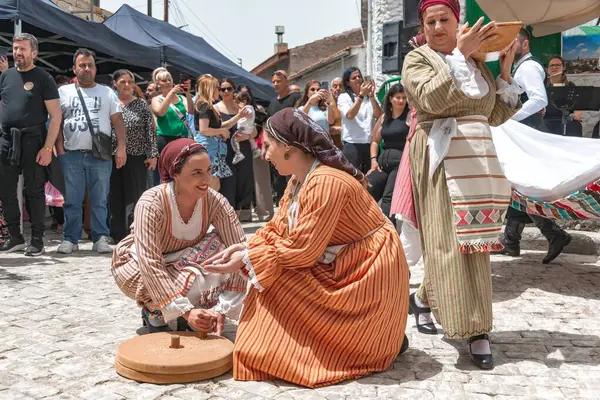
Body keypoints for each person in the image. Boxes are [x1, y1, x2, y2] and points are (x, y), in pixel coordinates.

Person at [202, 108, 409, 388]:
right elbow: (278, 229)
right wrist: (244, 247)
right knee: (271, 274)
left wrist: (246, 258)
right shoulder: (300, 180)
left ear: (288, 148)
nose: (264, 154)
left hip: (367, 272)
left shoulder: (325, 182)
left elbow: (302, 250)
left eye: (268, 146)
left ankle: (361, 343)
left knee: (276, 280)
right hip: (347, 263)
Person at [401, 0, 523, 369]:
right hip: (441, 157)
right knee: (447, 242)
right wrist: (458, 54)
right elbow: (430, 98)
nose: (438, 27)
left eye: (445, 19)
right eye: (430, 21)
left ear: (458, 22)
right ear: (423, 26)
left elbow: (495, 113)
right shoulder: (418, 59)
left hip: (477, 162)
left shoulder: (476, 64)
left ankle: (423, 298)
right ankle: (474, 329)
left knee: (476, 242)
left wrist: (502, 70)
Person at [111, 138, 247, 334]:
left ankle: (194, 311)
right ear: (175, 174)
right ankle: (156, 312)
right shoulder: (151, 202)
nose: (207, 180)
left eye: (209, 170)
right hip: (139, 264)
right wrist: (185, 311)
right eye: (196, 173)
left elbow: (240, 247)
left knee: (230, 253)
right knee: (150, 278)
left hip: (183, 260)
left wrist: (223, 310)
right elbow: (149, 261)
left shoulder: (214, 201)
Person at [496, 29, 572, 264]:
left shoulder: (528, 67)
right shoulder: (521, 67)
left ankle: (552, 234)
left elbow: (539, 99)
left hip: (527, 134)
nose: (509, 46)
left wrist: (511, 118)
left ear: (525, 43)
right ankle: (513, 241)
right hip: (523, 134)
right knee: (519, 186)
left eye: (514, 42)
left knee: (523, 187)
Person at [56, 48, 127, 255]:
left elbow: (118, 122)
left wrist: (121, 147)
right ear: (74, 68)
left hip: (101, 155)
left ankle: (100, 238)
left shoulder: (107, 92)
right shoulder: (63, 92)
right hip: (71, 154)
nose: (87, 69)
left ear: (96, 69)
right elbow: (57, 122)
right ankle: (70, 238)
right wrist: (59, 148)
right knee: (72, 200)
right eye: (82, 65)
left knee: (100, 199)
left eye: (90, 65)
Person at [0, 33, 61, 256]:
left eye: (22, 49)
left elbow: (55, 116)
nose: (17, 53)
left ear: (34, 53)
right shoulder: (5, 76)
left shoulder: (44, 78)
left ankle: (37, 240)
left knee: (34, 191)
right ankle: (15, 236)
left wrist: (47, 148)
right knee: (5, 189)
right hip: (7, 139)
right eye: (15, 48)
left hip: (34, 140)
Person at [109, 69, 159, 243]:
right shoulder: (110, 102)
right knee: (114, 194)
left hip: (136, 155)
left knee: (134, 194)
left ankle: (133, 232)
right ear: (115, 83)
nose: (128, 85)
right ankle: (116, 233)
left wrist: (153, 154)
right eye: (123, 82)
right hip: (112, 155)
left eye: (130, 81)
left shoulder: (141, 104)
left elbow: (150, 131)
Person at [367, 83, 409, 222]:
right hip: (381, 164)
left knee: (388, 199)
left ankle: (390, 234)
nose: (401, 101)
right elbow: (374, 141)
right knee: (367, 191)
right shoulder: (385, 117)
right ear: (391, 99)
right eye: (398, 97)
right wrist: (373, 161)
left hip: (400, 165)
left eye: (404, 97)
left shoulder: (410, 117)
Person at [214, 78, 255, 218]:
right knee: (228, 182)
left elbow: (253, 129)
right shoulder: (216, 108)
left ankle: (237, 217)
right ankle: (228, 217)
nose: (225, 91)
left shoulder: (241, 106)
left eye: (229, 89)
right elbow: (219, 127)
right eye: (222, 89)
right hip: (225, 149)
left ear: (233, 90)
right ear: (218, 91)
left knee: (243, 180)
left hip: (242, 148)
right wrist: (238, 116)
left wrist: (248, 137)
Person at [237, 85, 274, 222]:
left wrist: (265, 146)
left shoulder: (258, 109)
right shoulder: (235, 110)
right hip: (239, 149)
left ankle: (266, 214)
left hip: (258, 148)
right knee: (243, 182)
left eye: (247, 95)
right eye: (241, 95)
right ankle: (244, 215)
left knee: (262, 182)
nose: (244, 98)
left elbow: (265, 128)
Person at [337, 67, 383, 174]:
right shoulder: (344, 97)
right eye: (354, 78)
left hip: (369, 145)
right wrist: (361, 96)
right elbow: (349, 115)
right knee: (353, 179)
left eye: (359, 77)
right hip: (353, 145)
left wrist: (371, 95)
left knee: (371, 179)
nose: (358, 79)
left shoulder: (371, 98)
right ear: (348, 83)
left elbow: (380, 116)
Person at [194, 74, 232, 192]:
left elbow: (217, 126)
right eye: (217, 88)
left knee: (214, 183)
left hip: (213, 148)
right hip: (208, 149)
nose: (219, 91)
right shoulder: (204, 105)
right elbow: (204, 129)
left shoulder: (207, 105)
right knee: (211, 184)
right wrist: (222, 131)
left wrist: (238, 117)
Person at [267, 70, 301, 203]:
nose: (275, 84)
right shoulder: (272, 103)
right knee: (278, 182)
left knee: (293, 180)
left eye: (279, 81)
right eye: (273, 81)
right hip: (276, 148)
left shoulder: (296, 98)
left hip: (292, 147)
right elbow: (268, 125)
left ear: (287, 82)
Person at [151, 67, 194, 154]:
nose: (167, 82)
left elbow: (191, 111)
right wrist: (170, 93)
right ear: (158, 83)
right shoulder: (156, 99)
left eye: (169, 80)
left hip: (182, 138)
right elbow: (160, 113)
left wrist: (187, 93)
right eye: (164, 80)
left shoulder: (182, 98)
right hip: (165, 139)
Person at [544, 56, 583, 137]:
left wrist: (578, 111)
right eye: (552, 65)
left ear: (563, 67)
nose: (554, 67)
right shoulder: (541, 86)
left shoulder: (570, 86)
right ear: (547, 69)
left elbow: (578, 103)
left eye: (558, 65)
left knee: (576, 126)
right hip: (546, 120)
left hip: (565, 120)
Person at [232, 91, 261, 163]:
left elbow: (249, 113)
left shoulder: (247, 107)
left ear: (244, 102)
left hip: (245, 128)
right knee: (251, 139)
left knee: (234, 139)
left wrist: (242, 114)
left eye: (238, 102)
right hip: (247, 128)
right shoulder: (246, 108)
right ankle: (256, 149)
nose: (237, 104)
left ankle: (238, 153)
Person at [329, 77, 344, 149]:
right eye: (335, 86)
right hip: (334, 149)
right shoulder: (328, 106)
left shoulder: (350, 104)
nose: (338, 88)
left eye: (341, 86)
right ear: (331, 90)